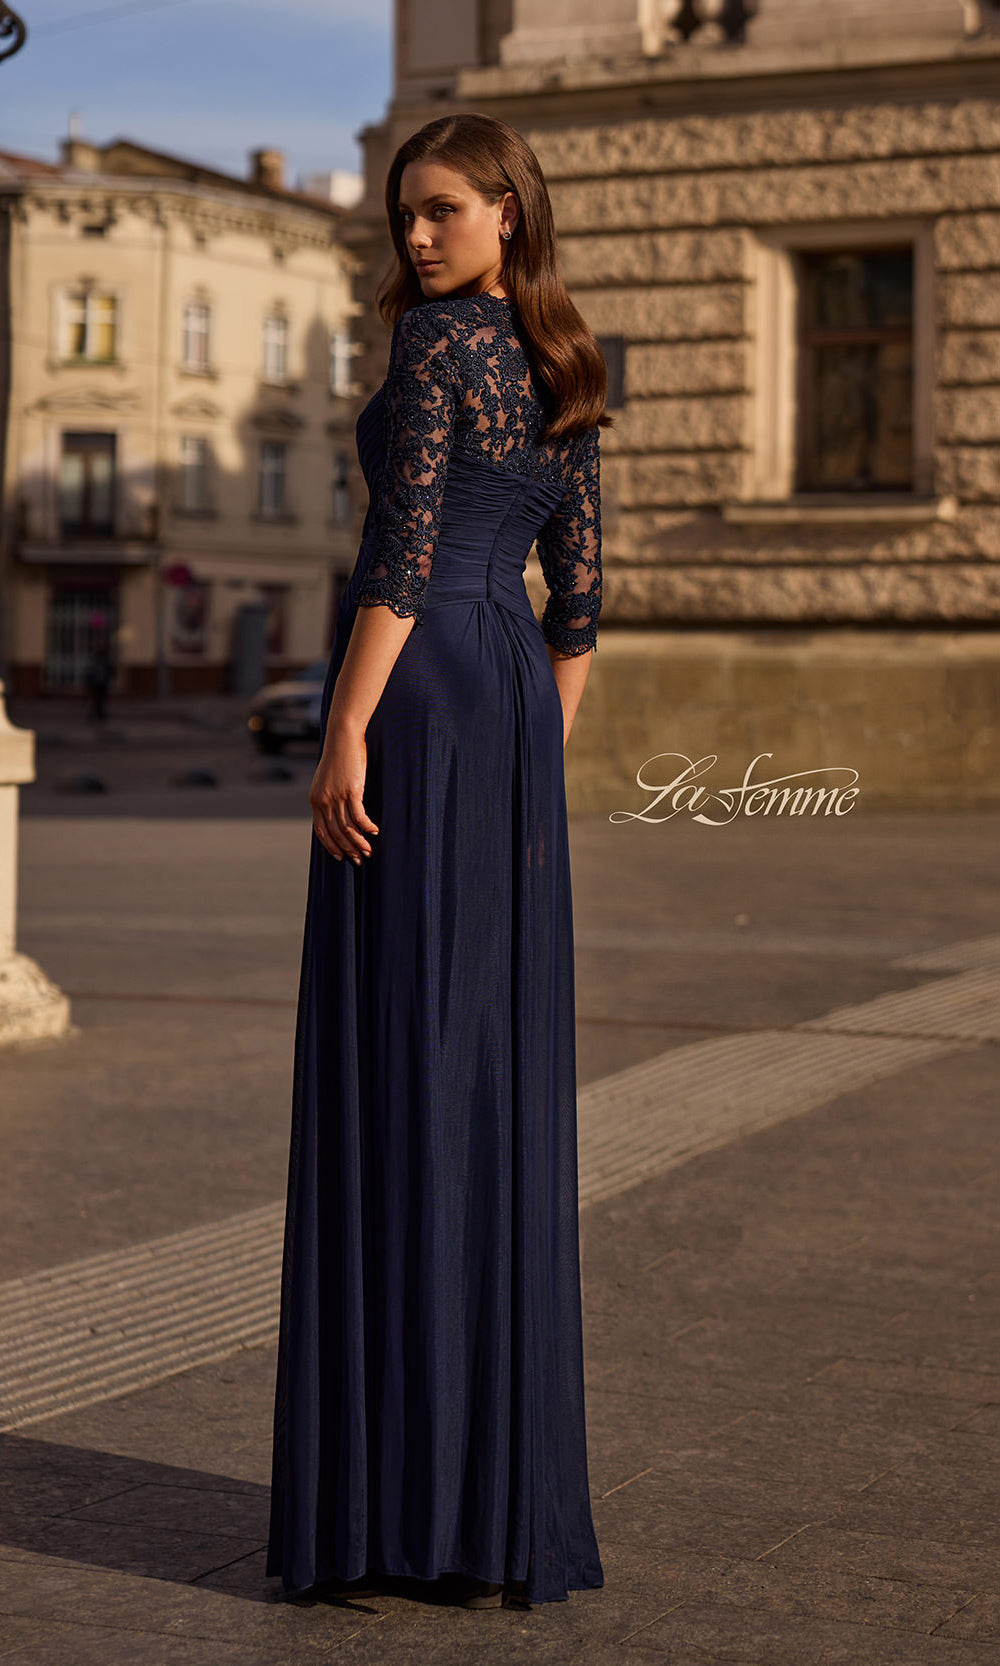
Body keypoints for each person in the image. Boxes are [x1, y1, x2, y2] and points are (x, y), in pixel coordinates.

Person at [266, 111, 608, 1613]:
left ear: (509, 215)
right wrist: (531, 747)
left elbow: (399, 557)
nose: (415, 235)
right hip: (513, 700)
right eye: (405, 214)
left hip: (418, 694)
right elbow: (582, 602)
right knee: (487, 1073)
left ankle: (392, 1499)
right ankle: (487, 1500)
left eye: (444, 210)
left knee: (402, 1064)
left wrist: (346, 729)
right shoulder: (564, 365)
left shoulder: (433, 359)